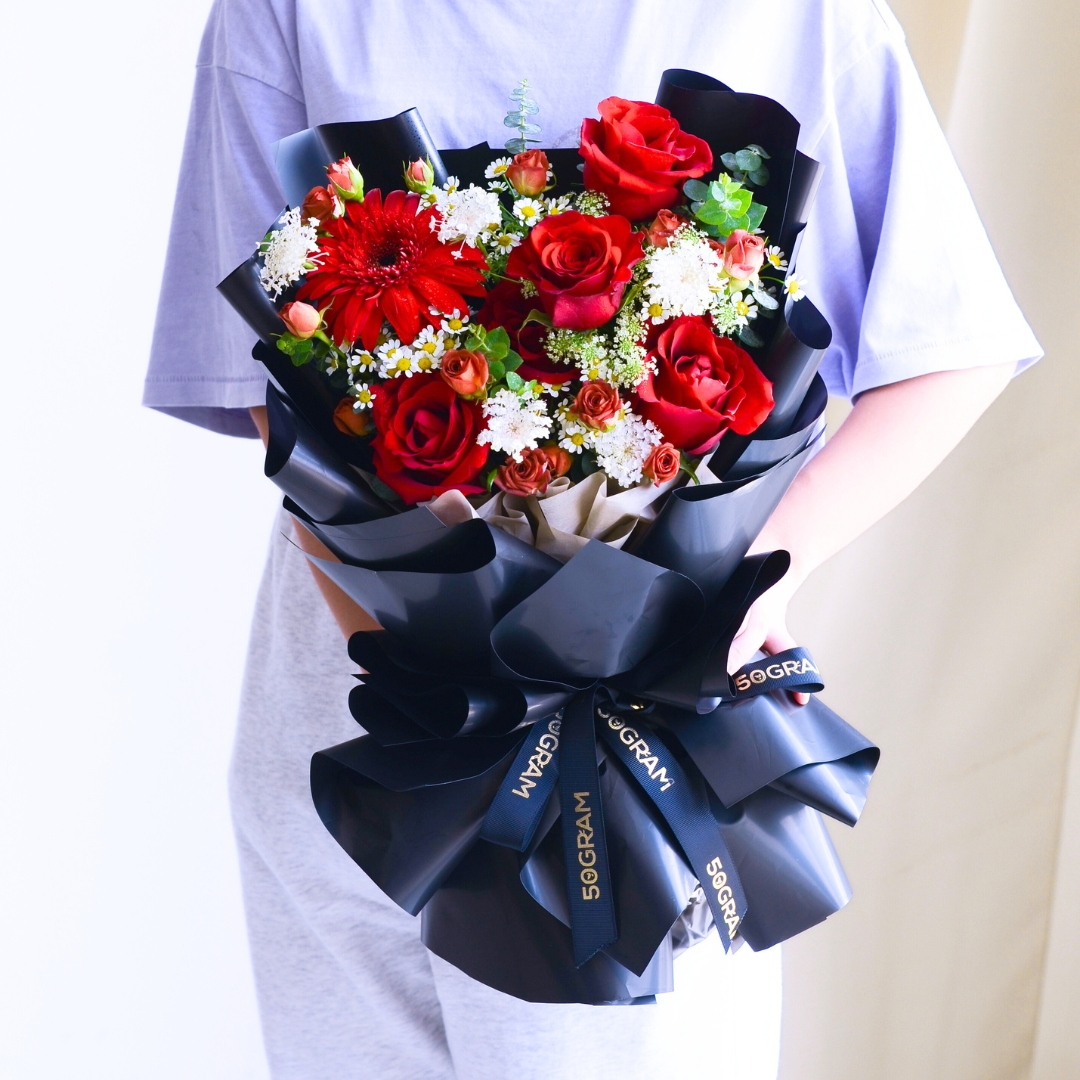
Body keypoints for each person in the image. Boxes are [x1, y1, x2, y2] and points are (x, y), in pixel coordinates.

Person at [144, 0, 1042, 1076]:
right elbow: (271, 368)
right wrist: (410, 637)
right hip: (346, 712)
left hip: (638, 734)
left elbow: (951, 345)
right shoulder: (283, 10)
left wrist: (754, 582)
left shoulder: (800, 16)